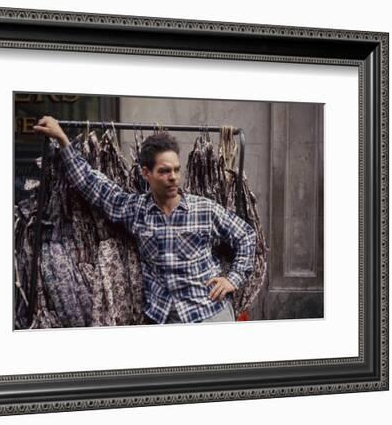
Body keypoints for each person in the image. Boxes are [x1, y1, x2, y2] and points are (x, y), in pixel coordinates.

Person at [33, 116, 256, 325]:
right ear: (145, 173)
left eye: (177, 170)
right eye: (164, 171)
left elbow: (246, 235)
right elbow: (94, 186)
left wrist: (232, 279)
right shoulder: (136, 210)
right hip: (163, 318)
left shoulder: (204, 209)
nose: (174, 177)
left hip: (210, 314)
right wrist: (63, 140)